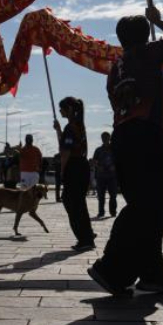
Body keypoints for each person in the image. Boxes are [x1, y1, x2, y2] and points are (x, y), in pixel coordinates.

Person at [88, 3, 163, 296]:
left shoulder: (115, 69)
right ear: (145, 35)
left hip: (124, 138)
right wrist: (159, 22)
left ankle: (151, 272)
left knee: (151, 207)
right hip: (145, 136)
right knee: (147, 206)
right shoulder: (148, 53)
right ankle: (111, 267)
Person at [56, 96, 96, 251]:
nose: (60, 111)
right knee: (78, 203)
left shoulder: (70, 127)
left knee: (72, 203)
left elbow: (65, 152)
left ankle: (85, 238)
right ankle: (87, 234)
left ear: (70, 109)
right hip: (82, 165)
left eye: (62, 108)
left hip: (74, 167)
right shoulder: (78, 125)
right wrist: (59, 130)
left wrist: (62, 171)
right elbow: (65, 144)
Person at [92, 132, 118, 218]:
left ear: (109, 138)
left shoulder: (114, 149)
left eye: (106, 137)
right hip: (101, 176)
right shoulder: (98, 150)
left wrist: (114, 166)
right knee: (101, 196)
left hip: (112, 176)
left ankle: (113, 211)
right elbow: (94, 161)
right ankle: (101, 212)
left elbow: (119, 160)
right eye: (103, 137)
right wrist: (98, 166)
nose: (105, 139)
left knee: (113, 196)